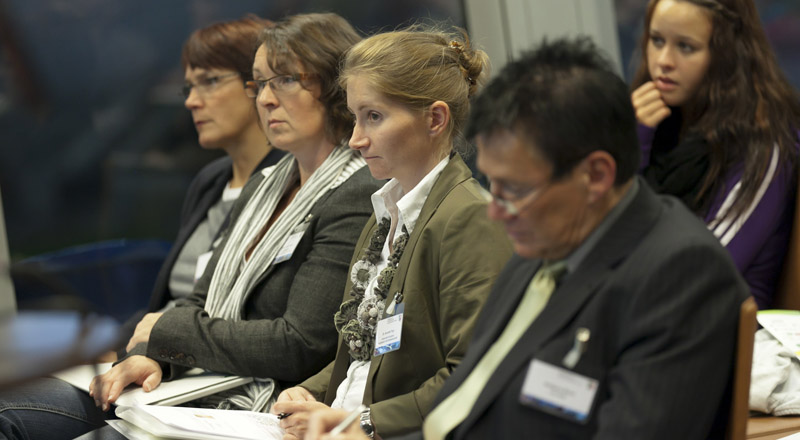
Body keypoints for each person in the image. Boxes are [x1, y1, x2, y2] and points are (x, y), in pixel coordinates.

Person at [305, 37, 751, 440]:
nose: (496, 211)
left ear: (595, 176)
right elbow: (464, 403)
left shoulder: (680, 272)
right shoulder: (536, 251)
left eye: (515, 190)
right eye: (493, 186)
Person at [0, 12, 381, 440]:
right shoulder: (266, 182)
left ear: (335, 86)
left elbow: (299, 344)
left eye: (285, 80)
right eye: (259, 83)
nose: (266, 99)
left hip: (264, 402)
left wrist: (165, 333)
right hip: (187, 386)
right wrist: (154, 356)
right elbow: (199, 296)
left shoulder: (357, 190)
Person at [270, 27, 513, 439]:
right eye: (355, 117)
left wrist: (364, 422)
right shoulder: (385, 213)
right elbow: (367, 354)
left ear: (435, 118)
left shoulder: (469, 218)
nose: (356, 139)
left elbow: (472, 373)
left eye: (374, 117)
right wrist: (308, 394)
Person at [105, 15, 287, 362]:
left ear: (260, 84)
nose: (191, 101)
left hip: (205, 367)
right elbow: (170, 302)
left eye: (210, 81)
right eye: (190, 87)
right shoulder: (211, 180)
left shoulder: (292, 182)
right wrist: (116, 344)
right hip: (155, 354)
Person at [631, 0, 800, 309]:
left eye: (686, 47)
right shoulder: (655, 123)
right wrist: (634, 144)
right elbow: (608, 234)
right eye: (657, 41)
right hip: (651, 312)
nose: (663, 61)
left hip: (721, 331)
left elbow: (704, 271)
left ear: (726, 55)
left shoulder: (764, 144)